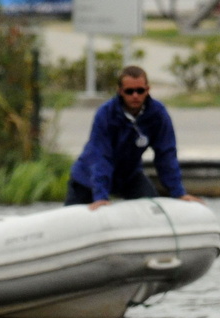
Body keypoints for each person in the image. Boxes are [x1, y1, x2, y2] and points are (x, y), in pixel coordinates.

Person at [66, 65, 204, 210]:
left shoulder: (158, 114)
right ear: (120, 91)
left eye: (140, 90)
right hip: (89, 177)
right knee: (75, 214)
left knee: (154, 209)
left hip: (129, 176)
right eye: (129, 91)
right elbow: (100, 156)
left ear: (148, 90)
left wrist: (178, 193)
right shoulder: (105, 114)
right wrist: (101, 196)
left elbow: (166, 155)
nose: (135, 96)